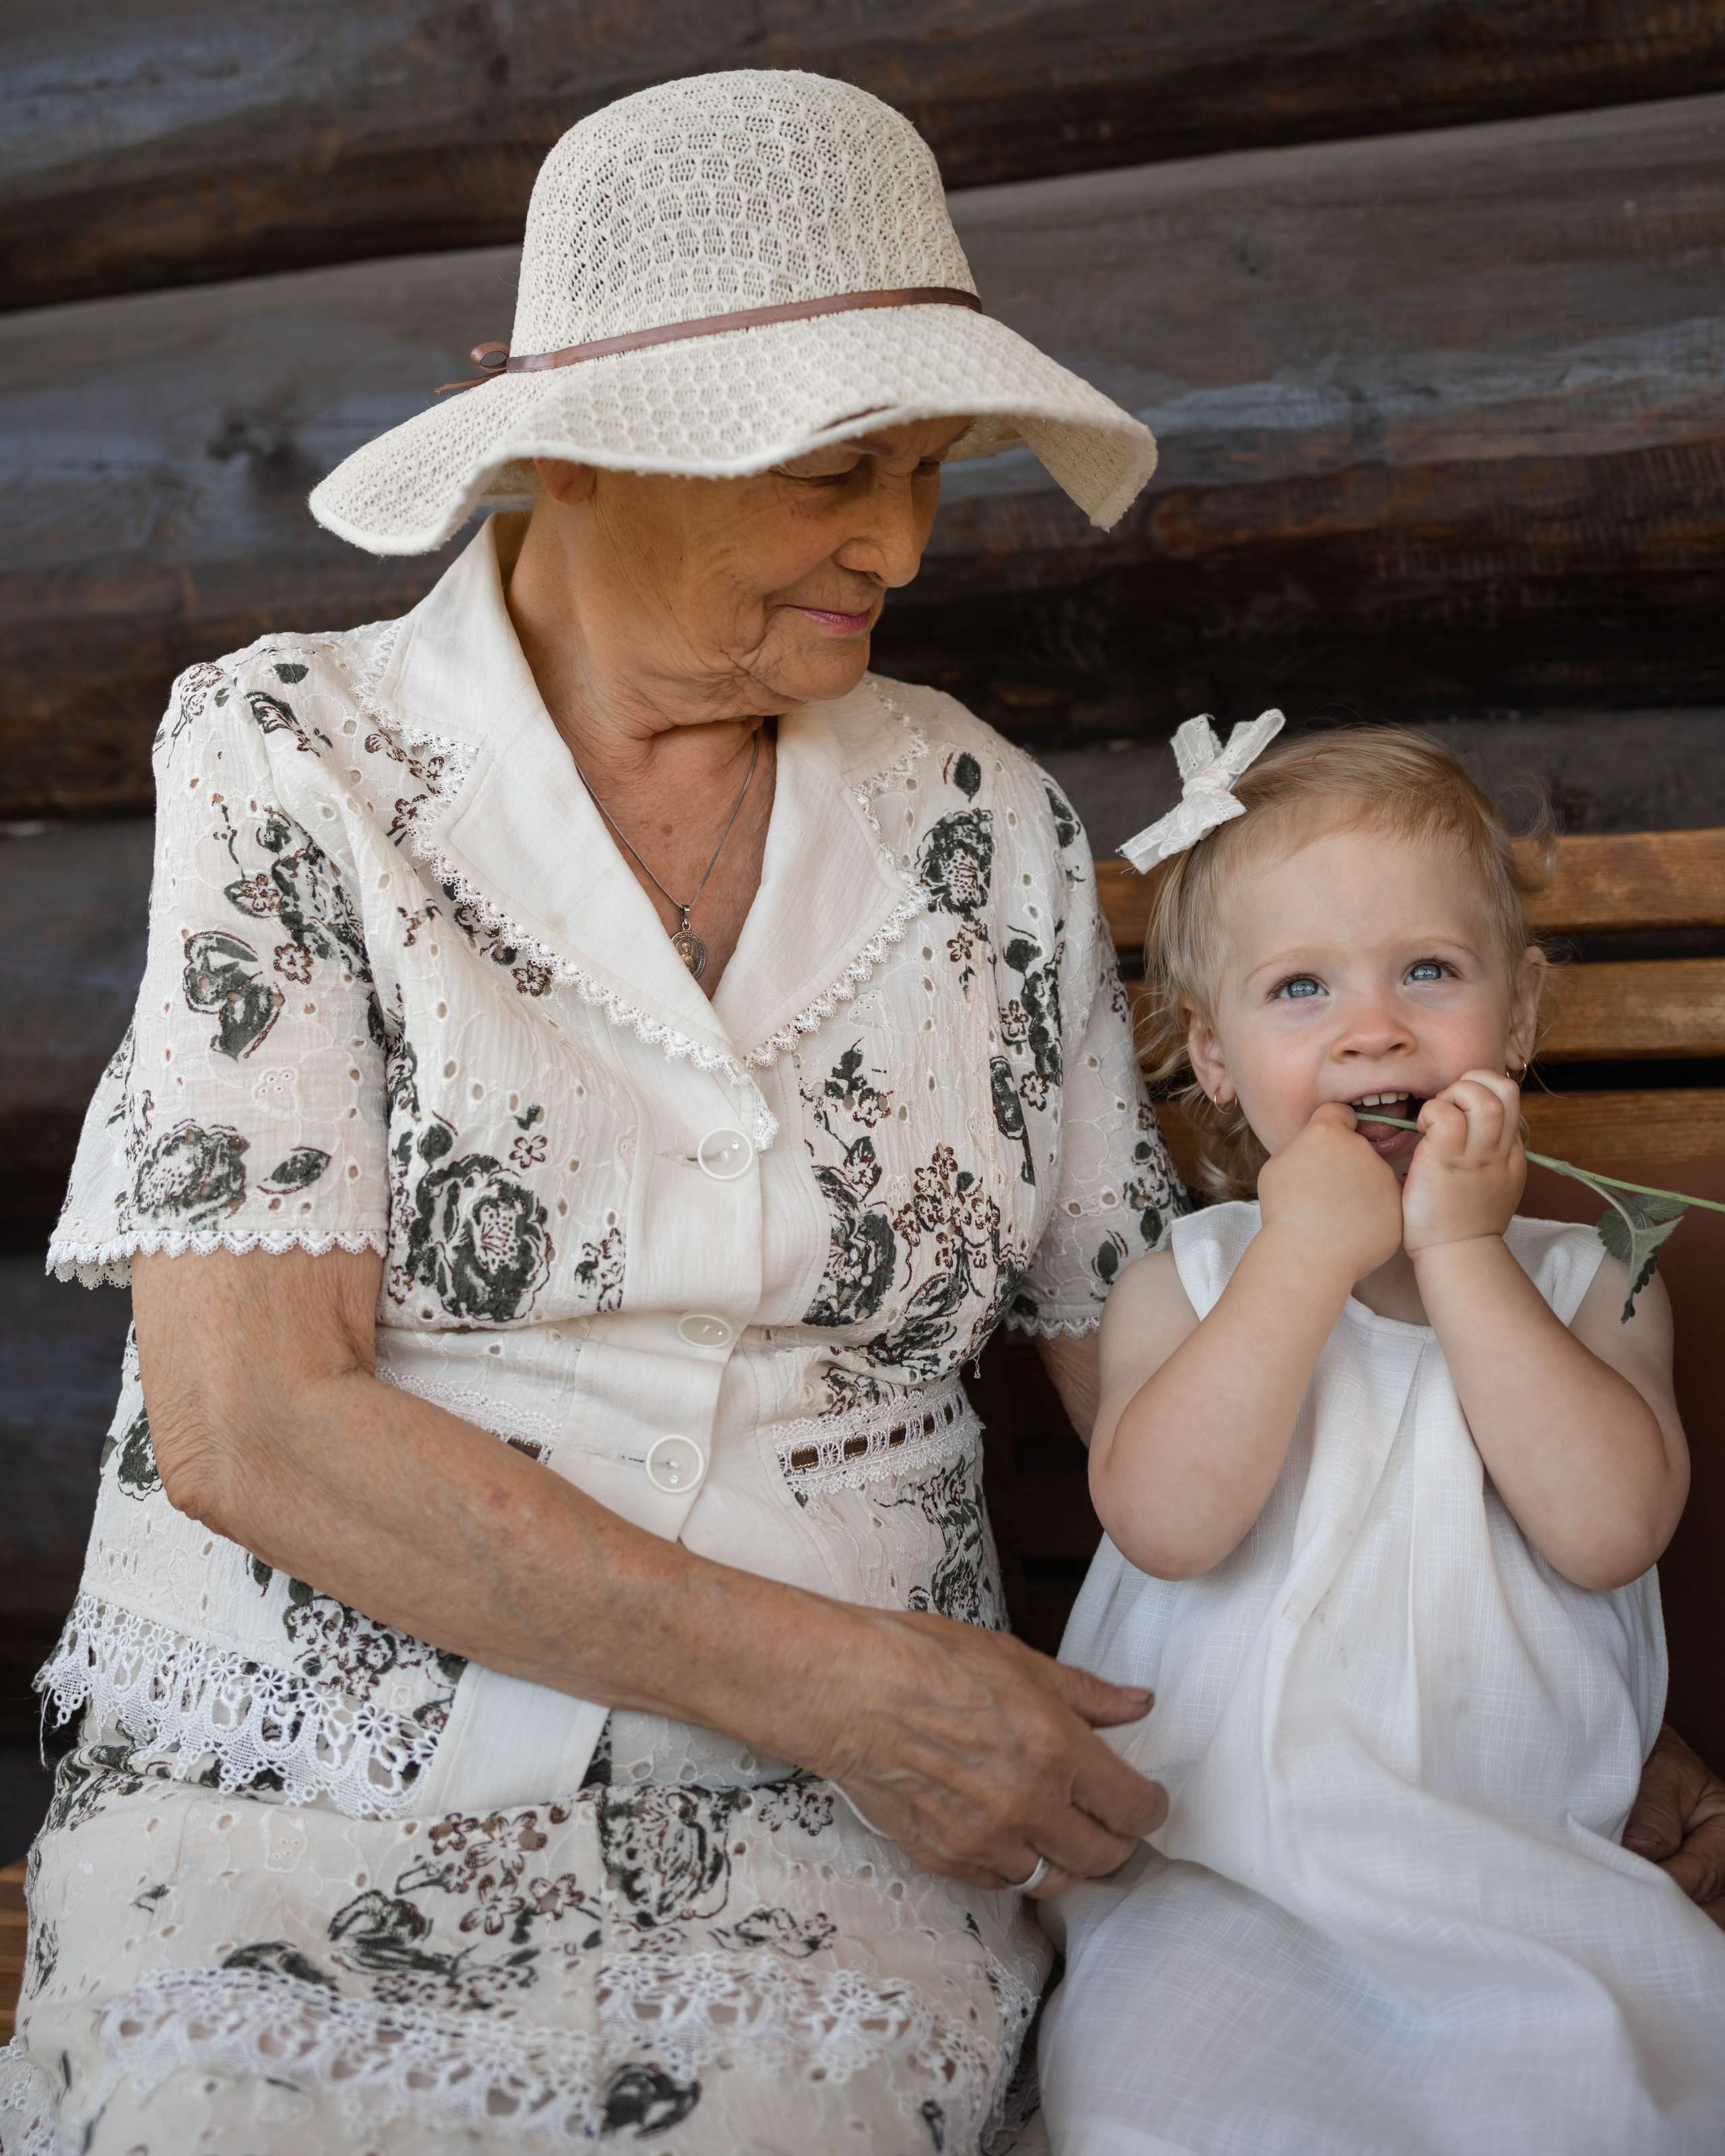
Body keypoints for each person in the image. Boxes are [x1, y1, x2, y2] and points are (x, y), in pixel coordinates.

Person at [0, 67, 1178, 2156]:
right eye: (835, 467)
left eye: (929, 469)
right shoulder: (299, 760)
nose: (902, 543)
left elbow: (1159, 1379)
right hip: (304, 1797)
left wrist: (1508, 1694)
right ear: (573, 452)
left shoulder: (984, 823)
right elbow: (250, 1422)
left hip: (841, 1830)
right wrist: (846, 1687)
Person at [1039, 723, 1725, 2154]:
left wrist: (1463, 1255)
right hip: (1216, 1873)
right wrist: (1300, 1258)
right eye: (1302, 987)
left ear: (1517, 1014)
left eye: (1428, 970)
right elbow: (1166, 1524)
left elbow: (1608, 1531)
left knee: (1604, 2083)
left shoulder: (1591, 1280)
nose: (1373, 1029)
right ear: (1214, 1055)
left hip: (1521, 1868)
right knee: (1158, 2091)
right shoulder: (1191, 1281)